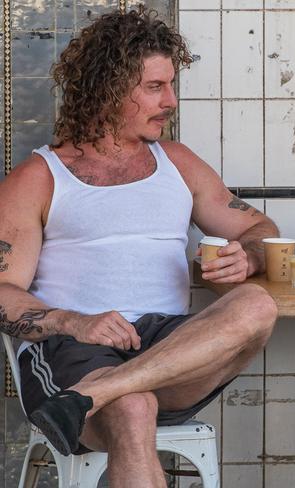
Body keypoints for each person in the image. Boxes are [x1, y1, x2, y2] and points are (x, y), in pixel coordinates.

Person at [0, 6, 280, 487]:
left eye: (171, 85)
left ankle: (96, 394)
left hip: (168, 347)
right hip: (74, 348)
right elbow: (3, 290)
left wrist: (250, 255)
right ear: (107, 89)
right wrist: (76, 321)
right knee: (132, 407)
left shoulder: (178, 162)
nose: (170, 100)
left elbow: (262, 229)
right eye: (155, 87)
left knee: (256, 304)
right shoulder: (39, 177)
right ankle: (104, 392)